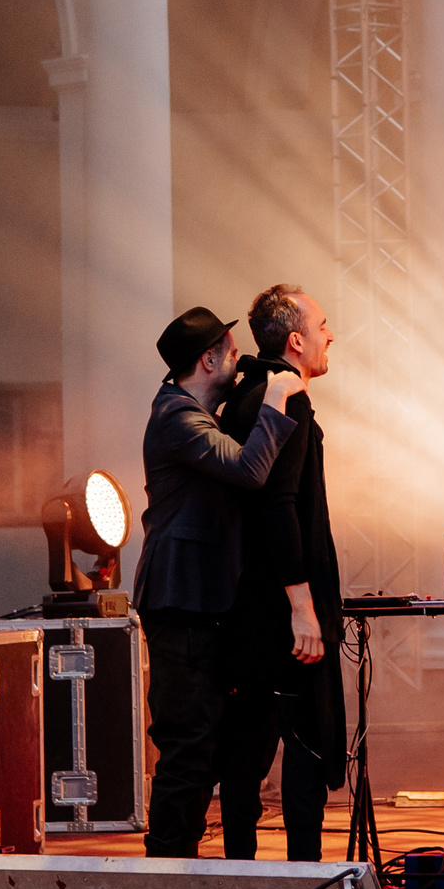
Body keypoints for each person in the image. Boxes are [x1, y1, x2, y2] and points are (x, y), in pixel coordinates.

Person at [136, 306, 304, 858]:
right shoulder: (175, 417)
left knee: (203, 745)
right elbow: (249, 471)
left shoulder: (196, 412)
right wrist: (277, 401)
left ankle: (184, 872)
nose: (240, 360)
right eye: (232, 353)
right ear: (208, 359)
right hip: (179, 599)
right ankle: (164, 879)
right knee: (186, 747)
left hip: (204, 601)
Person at [216, 284, 346, 862]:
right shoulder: (286, 393)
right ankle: (302, 881)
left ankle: (240, 878)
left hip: (247, 605)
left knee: (246, 744)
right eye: (322, 325)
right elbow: (279, 505)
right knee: (303, 740)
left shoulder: (247, 395)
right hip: (281, 607)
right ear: (295, 340)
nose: (330, 335)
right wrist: (304, 606)